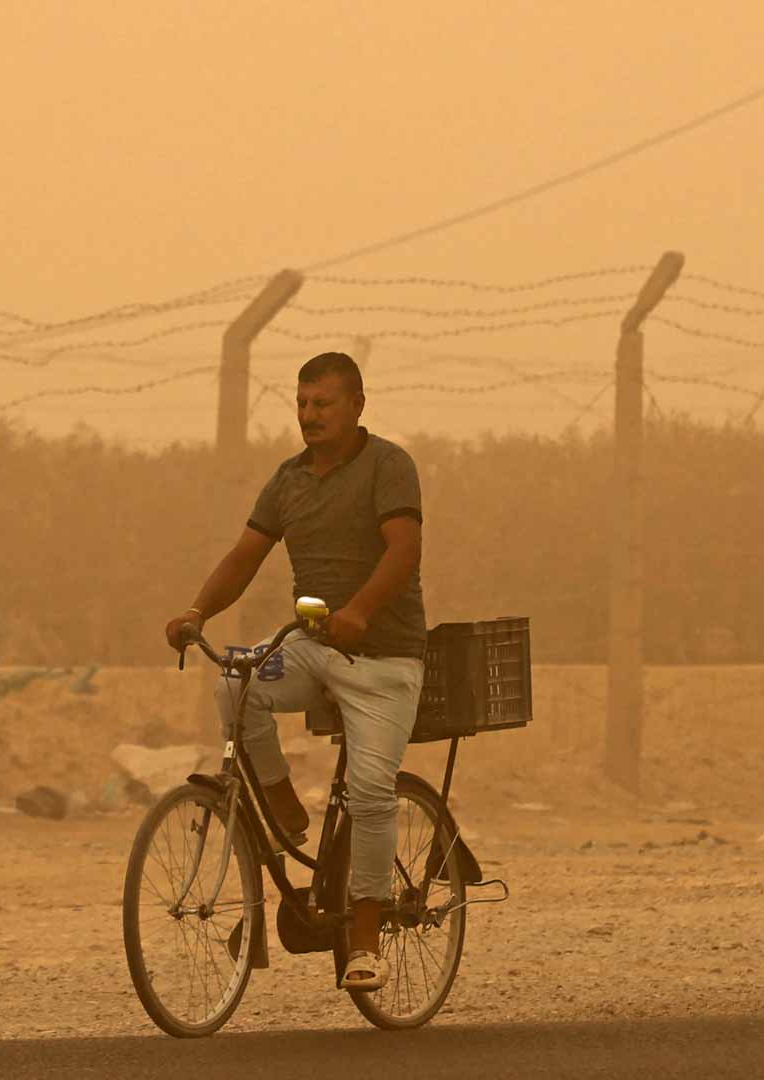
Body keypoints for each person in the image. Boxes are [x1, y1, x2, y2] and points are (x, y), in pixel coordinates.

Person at [163, 351, 425, 993]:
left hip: (384, 657)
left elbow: (405, 549)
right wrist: (197, 611)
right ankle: (282, 806)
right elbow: (244, 555)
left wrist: (361, 609)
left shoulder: (388, 466)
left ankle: (364, 935)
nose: (310, 415)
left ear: (357, 405)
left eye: (323, 404)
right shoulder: (288, 481)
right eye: (303, 405)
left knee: (368, 791)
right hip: (311, 648)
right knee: (235, 681)